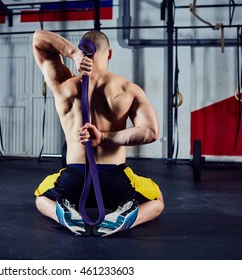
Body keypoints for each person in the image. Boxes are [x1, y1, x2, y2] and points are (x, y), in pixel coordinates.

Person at [32, 29, 164, 237]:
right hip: (115, 181)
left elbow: (38, 38)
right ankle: (124, 216)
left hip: (73, 180)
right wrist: (104, 138)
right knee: (157, 201)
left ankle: (63, 213)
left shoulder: (63, 86)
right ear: (109, 54)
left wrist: (72, 53)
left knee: (41, 196)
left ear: (83, 51)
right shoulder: (127, 89)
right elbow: (151, 132)